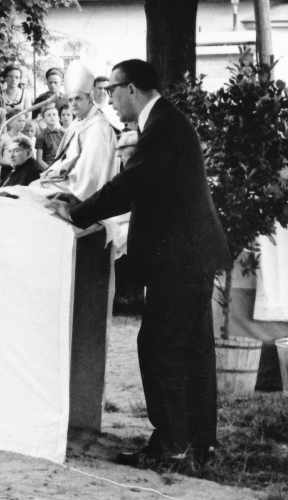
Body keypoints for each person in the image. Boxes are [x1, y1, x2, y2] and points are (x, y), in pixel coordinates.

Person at [49, 59, 228, 469]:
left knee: (159, 346)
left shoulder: (162, 125)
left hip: (181, 259)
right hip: (189, 255)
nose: (109, 99)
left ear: (131, 88)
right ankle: (198, 443)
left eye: (112, 90)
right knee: (192, 350)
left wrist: (76, 213)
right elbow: (141, 187)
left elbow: (131, 184)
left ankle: (172, 447)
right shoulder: (163, 121)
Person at [32, 62, 119, 201]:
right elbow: (66, 159)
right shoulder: (77, 122)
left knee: (36, 191)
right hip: (69, 179)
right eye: (70, 99)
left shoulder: (99, 126)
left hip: (84, 190)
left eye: (78, 98)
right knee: (34, 186)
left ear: (90, 98)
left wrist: (57, 176)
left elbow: (91, 175)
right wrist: (53, 172)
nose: (73, 104)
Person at [34, 101, 64, 171]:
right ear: (44, 120)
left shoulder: (63, 134)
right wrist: (49, 170)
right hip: (48, 167)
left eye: (54, 114)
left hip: (61, 166)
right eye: (49, 115)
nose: (52, 117)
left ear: (58, 118)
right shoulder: (41, 136)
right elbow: (39, 159)